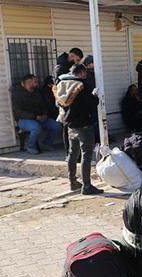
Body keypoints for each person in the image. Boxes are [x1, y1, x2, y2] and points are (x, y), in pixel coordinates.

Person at [59, 64, 104, 195]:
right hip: (84, 124)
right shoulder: (81, 86)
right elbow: (91, 103)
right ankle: (87, 186)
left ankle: (72, 182)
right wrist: (95, 96)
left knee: (72, 154)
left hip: (70, 124)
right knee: (86, 154)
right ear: (82, 73)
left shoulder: (63, 84)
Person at [12, 74, 62, 154]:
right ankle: (31, 146)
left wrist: (45, 114)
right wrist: (35, 117)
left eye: (34, 81)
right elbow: (19, 112)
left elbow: (44, 105)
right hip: (24, 119)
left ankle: (46, 144)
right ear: (23, 84)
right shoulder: (18, 95)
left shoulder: (38, 92)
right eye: (30, 82)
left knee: (57, 126)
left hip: (40, 117)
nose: (33, 83)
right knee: (36, 127)